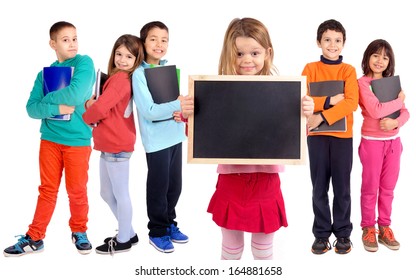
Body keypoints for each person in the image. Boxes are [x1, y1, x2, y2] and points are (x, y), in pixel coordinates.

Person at [179, 17, 314, 260]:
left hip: (266, 182)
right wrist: (190, 114)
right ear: (228, 54)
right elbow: (200, 137)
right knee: (231, 252)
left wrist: (305, 115)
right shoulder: (217, 92)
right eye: (239, 53)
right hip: (231, 181)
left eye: (254, 52)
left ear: (267, 53)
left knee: (263, 252)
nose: (247, 60)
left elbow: (295, 140)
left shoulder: (283, 93)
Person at [3, 21, 95, 257]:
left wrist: (47, 101)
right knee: (47, 190)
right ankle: (35, 237)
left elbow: (75, 94)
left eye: (75, 38)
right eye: (66, 40)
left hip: (78, 141)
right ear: (53, 44)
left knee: (76, 190)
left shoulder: (84, 63)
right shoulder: (44, 74)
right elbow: (31, 109)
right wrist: (55, 107)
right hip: (50, 141)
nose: (72, 43)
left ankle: (79, 231)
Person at [82, 34, 144, 254]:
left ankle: (124, 239)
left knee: (120, 193)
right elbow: (99, 102)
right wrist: (91, 103)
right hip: (111, 144)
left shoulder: (121, 79)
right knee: (107, 193)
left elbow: (99, 108)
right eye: (119, 54)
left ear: (137, 59)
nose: (122, 60)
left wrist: (86, 116)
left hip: (116, 146)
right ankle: (129, 232)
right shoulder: (119, 78)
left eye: (129, 56)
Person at [303, 19, 359, 255]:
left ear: (343, 44)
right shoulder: (310, 69)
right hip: (316, 137)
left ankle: (343, 233)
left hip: (342, 137)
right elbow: (302, 98)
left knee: (342, 187)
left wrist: (322, 116)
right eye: (327, 40)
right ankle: (322, 234)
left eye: (337, 40)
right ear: (319, 42)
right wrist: (328, 100)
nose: (332, 45)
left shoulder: (348, 71)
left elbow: (351, 102)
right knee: (319, 187)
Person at [132, 21, 189, 253]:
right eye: (153, 39)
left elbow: (173, 107)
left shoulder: (168, 70)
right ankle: (157, 231)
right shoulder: (139, 73)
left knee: (174, 186)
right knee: (158, 186)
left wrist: (180, 112)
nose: (159, 44)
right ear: (143, 43)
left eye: (164, 40)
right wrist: (178, 103)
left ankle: (169, 224)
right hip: (156, 140)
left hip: (175, 136)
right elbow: (149, 111)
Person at [358, 39, 409, 252]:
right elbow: (377, 110)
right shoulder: (363, 83)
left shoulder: (391, 84)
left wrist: (395, 122)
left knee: (388, 188)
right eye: (376, 55)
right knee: (370, 188)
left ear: (390, 62)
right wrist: (399, 101)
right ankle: (368, 227)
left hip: (393, 144)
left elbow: (405, 112)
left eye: (385, 57)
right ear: (368, 57)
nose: (380, 61)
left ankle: (385, 226)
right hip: (372, 144)